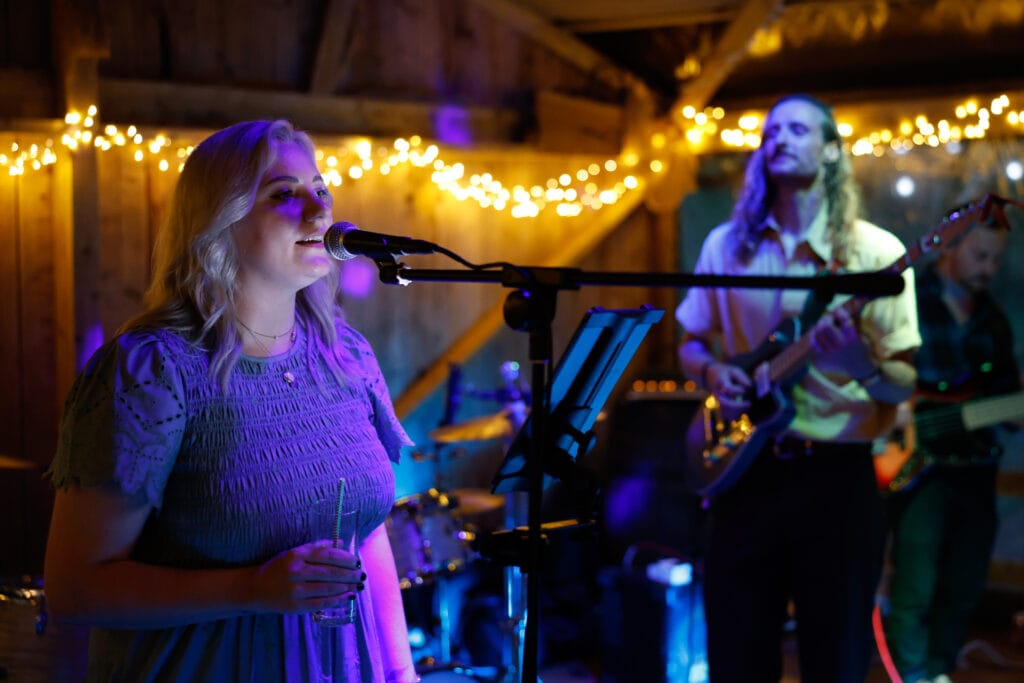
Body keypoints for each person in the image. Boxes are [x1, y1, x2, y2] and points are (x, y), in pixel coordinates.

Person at [43, 119, 420, 683]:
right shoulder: (153, 370)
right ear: (219, 220)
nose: (319, 210)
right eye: (283, 193)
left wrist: (402, 672)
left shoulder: (346, 355)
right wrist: (251, 589)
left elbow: (366, 533)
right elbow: (75, 590)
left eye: (320, 189)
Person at [676, 93, 921, 682]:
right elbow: (690, 343)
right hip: (745, 476)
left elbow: (902, 386)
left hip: (836, 478)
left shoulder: (877, 254)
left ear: (832, 150)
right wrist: (713, 373)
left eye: (796, 130)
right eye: (770, 133)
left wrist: (859, 362)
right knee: (736, 657)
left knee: (835, 660)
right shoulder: (725, 247)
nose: (778, 139)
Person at [883, 214, 1020, 683]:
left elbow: (1006, 397)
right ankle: (911, 675)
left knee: (964, 586)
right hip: (921, 469)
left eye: (996, 259)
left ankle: (938, 671)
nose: (989, 269)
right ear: (950, 247)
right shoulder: (908, 301)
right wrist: (894, 412)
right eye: (980, 255)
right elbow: (877, 373)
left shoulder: (993, 320)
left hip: (977, 468)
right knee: (914, 587)